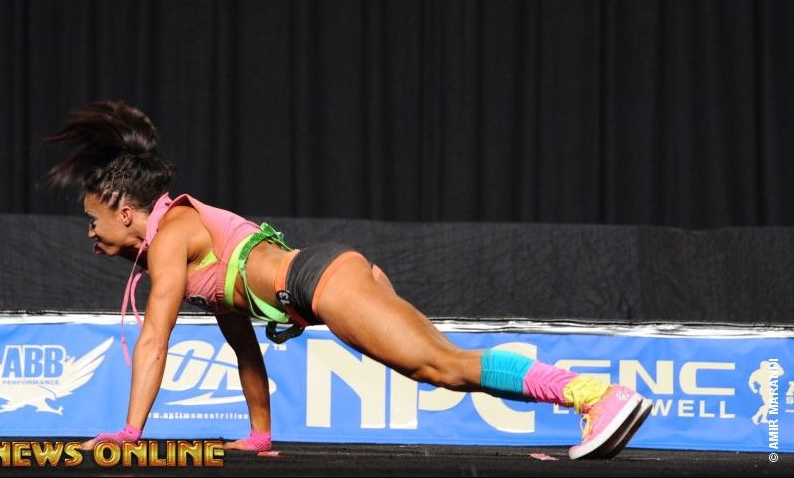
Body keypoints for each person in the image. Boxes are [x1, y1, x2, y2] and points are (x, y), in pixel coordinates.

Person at [43, 100, 652, 460]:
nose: (91, 234)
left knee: (443, 366)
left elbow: (155, 338)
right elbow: (243, 345)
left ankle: (596, 396)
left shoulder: (172, 234)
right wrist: (259, 434)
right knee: (443, 365)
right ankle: (594, 398)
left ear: (127, 212)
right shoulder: (185, 251)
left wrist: (130, 433)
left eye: (94, 220)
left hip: (323, 280)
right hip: (328, 277)